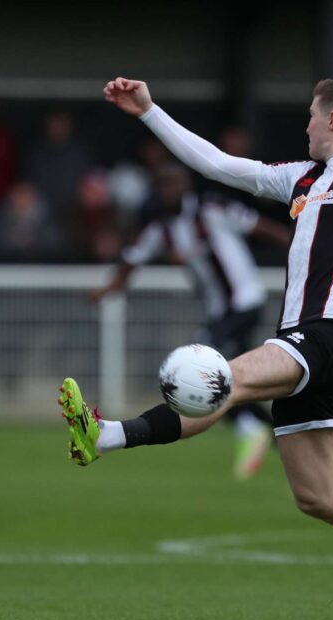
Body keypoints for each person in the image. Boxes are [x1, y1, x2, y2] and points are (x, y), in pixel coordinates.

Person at [59, 75, 333, 604]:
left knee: (220, 379)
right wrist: (148, 111)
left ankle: (109, 435)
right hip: (302, 336)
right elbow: (216, 164)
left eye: (309, 114)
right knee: (319, 496)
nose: (303, 124)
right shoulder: (302, 177)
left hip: (331, 331)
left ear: (332, 119)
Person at [90, 162, 290, 480]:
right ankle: (274, 434)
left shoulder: (213, 208)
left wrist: (300, 252)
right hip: (219, 310)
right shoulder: (162, 229)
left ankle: (251, 429)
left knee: (204, 366)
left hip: (245, 301)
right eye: (163, 183)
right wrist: (109, 288)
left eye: (174, 182)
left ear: (185, 185)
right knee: (232, 381)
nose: (169, 189)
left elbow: (262, 228)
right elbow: (132, 259)